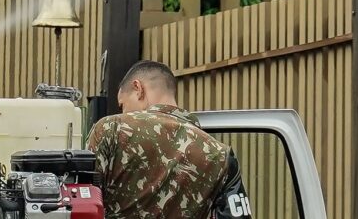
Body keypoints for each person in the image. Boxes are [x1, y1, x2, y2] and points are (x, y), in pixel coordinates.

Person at [86, 60, 252, 219]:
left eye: (122, 105)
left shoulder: (110, 129)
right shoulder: (220, 154)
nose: (123, 112)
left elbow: (84, 203)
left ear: (138, 88)